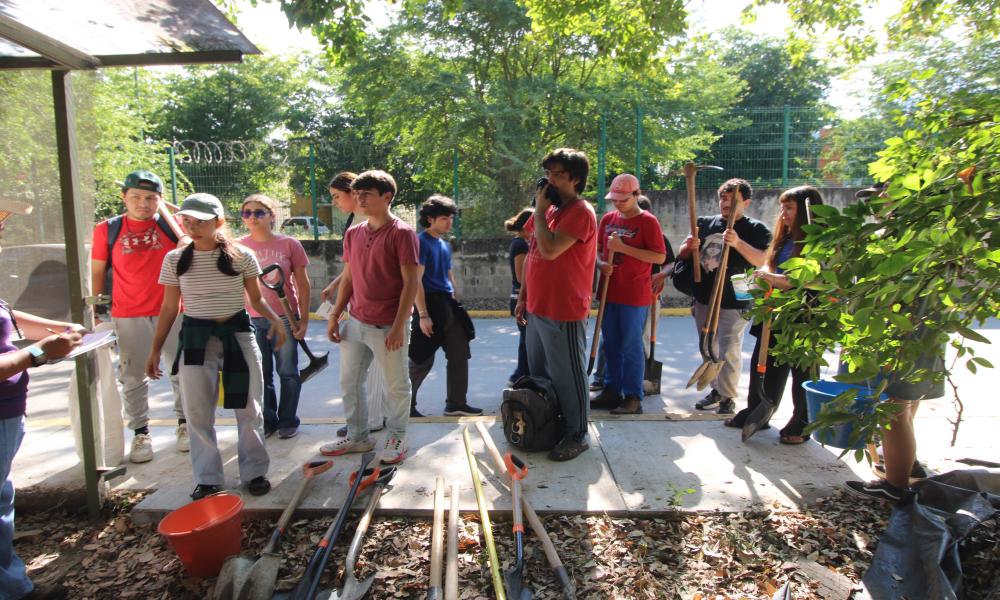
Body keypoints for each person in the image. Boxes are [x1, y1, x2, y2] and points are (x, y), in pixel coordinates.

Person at [145, 193, 285, 500]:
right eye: (187, 220)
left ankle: (254, 472)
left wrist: (277, 321)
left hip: (237, 336)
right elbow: (169, 307)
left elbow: (257, 299)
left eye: (201, 221)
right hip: (196, 339)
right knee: (197, 412)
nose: (192, 226)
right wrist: (155, 349)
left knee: (249, 407)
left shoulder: (241, 256)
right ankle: (207, 478)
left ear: (219, 222)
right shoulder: (175, 259)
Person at [1, 198, 84, 600]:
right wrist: (39, 352)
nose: (3, 227)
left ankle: (13, 585)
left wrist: (53, 328)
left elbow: (7, 315)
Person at [844, 182, 944, 502]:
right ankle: (904, 468)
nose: (876, 207)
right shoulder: (931, 237)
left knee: (893, 410)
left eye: (882, 200)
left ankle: (896, 485)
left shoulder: (902, 241)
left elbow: (886, 297)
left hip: (902, 335)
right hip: (919, 334)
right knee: (904, 407)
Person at [321, 170, 420, 465]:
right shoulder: (353, 233)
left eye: (367, 194)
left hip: (389, 325)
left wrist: (400, 326)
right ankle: (358, 436)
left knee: (397, 385)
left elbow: (411, 283)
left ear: (387, 197)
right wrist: (336, 315)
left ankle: (397, 436)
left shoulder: (402, 233)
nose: (360, 199)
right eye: (357, 194)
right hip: (357, 322)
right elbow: (349, 279)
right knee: (349, 382)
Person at [89, 170, 187, 464]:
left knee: (181, 371)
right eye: (136, 197)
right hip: (128, 312)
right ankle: (141, 433)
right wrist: (95, 308)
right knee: (133, 376)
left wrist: (185, 237)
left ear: (160, 200)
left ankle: (185, 425)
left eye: (150, 198)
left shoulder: (176, 228)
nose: (143, 204)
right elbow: (97, 270)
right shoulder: (107, 229)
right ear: (124, 198)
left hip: (172, 311)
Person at [514, 148, 597, 461]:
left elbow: (550, 250)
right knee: (541, 376)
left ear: (575, 180)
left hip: (564, 309)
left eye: (557, 175)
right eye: (547, 174)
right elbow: (534, 257)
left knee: (568, 377)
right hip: (538, 306)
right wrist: (523, 297)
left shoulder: (579, 212)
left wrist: (537, 211)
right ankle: (550, 425)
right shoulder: (550, 211)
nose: (549, 181)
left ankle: (577, 433)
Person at [728, 186, 824, 443]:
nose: (783, 214)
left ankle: (802, 422)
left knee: (803, 371)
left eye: (789, 208)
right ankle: (758, 412)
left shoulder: (820, 242)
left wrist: (771, 278)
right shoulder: (785, 238)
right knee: (765, 364)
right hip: (775, 313)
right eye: (782, 207)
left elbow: (808, 279)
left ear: (807, 210)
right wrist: (756, 281)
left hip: (806, 315)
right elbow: (770, 267)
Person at [676, 178, 771, 415]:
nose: (725, 203)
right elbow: (683, 252)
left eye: (732, 199)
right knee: (708, 347)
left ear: (746, 203)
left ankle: (727, 397)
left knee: (729, 348)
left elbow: (761, 260)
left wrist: (737, 243)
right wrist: (689, 247)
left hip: (736, 297)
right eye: (723, 198)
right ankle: (716, 390)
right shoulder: (705, 223)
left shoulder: (757, 229)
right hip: (704, 296)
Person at [590, 175, 666, 415]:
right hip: (609, 290)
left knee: (630, 345)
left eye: (623, 199)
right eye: (614, 199)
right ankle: (612, 390)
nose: (618, 204)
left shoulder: (648, 222)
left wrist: (624, 249)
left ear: (636, 195)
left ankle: (633, 396)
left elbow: (659, 257)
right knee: (610, 344)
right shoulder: (608, 219)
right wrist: (602, 264)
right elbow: (598, 251)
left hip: (634, 293)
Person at [239, 194, 310, 439]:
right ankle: (268, 421)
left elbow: (303, 284)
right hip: (250, 319)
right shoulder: (236, 246)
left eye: (259, 212)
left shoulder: (290, 244)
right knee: (261, 374)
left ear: (272, 216)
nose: (252, 217)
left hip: (284, 318)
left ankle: (288, 420)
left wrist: (303, 320)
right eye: (246, 213)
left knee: (288, 372)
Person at [323, 172, 388, 436]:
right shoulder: (357, 222)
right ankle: (369, 419)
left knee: (370, 367)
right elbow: (354, 264)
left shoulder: (367, 221)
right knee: (366, 367)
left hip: (372, 302)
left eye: (338, 197)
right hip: (361, 300)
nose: (336, 202)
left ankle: (371, 419)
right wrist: (337, 284)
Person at [408, 195, 481, 417]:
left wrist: (455, 297)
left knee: (460, 353)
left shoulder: (444, 244)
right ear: (430, 219)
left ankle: (456, 403)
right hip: (429, 303)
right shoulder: (420, 242)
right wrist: (422, 315)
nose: (449, 222)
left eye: (451, 218)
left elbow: (448, 274)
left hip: (448, 304)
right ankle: (403, 405)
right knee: (421, 360)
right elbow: (415, 280)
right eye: (443, 218)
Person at [504, 208, 532, 386]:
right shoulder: (520, 244)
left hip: (523, 297)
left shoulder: (523, 242)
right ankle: (520, 376)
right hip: (521, 297)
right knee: (527, 340)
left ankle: (522, 374)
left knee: (528, 339)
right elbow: (522, 276)